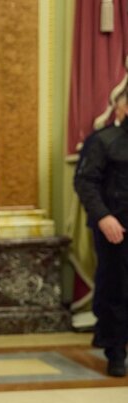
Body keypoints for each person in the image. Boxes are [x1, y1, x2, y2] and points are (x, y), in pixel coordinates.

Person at [74, 86, 128, 377]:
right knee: (116, 291)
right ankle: (115, 351)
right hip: (115, 231)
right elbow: (85, 183)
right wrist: (104, 217)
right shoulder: (103, 141)